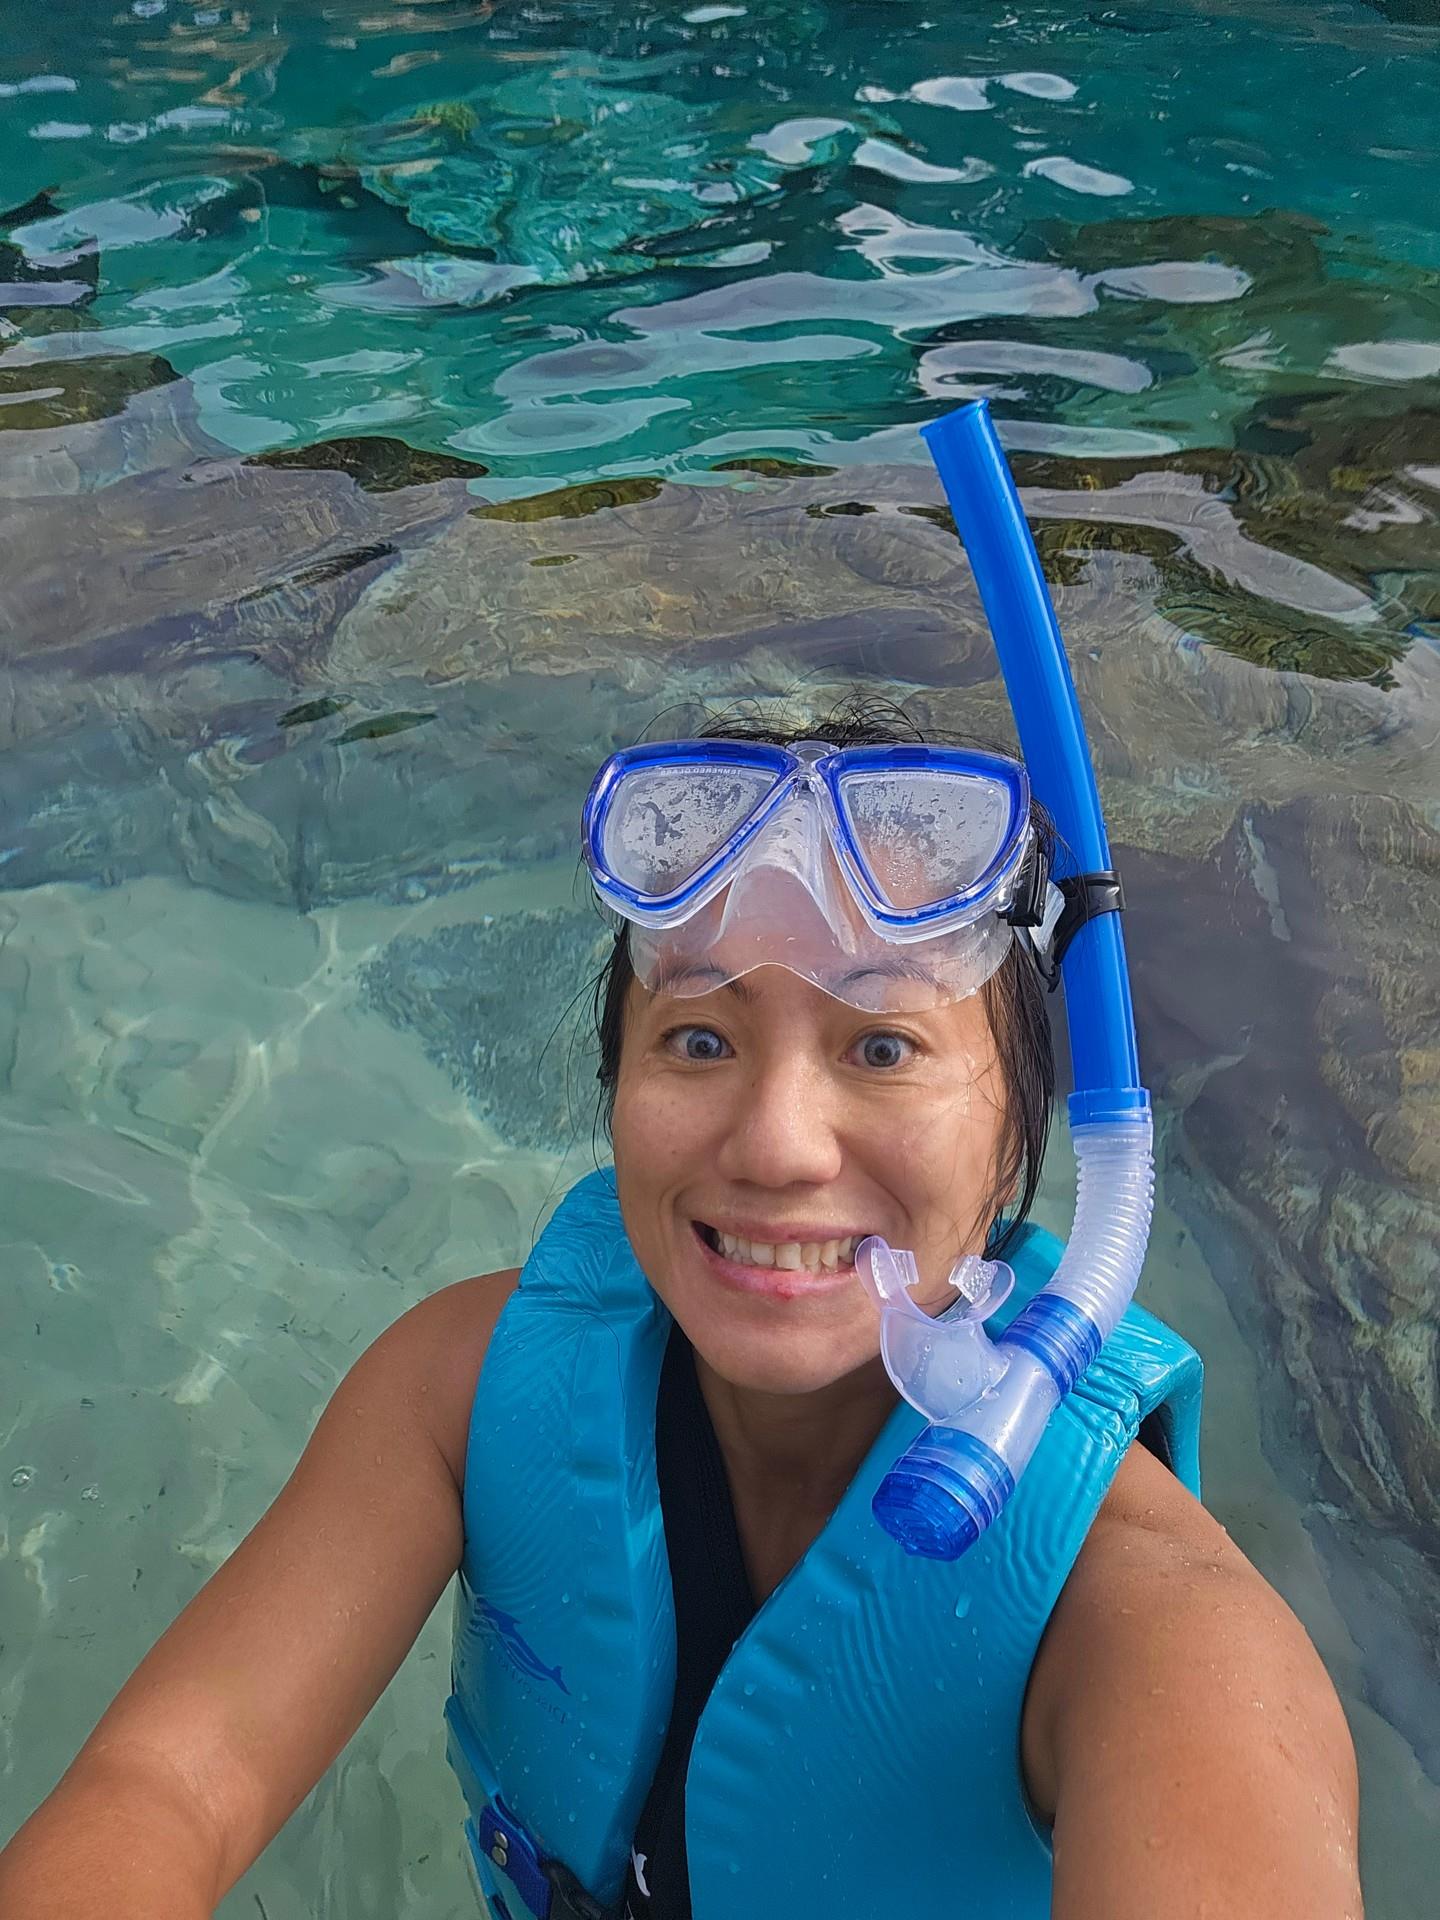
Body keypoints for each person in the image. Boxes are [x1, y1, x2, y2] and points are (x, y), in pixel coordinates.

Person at [0, 410, 1362, 1920]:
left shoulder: (1155, 1631)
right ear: (616, 1084)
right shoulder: (461, 1398)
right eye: (699, 1039)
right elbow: (167, 1791)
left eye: (882, 1046)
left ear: (1017, 1145)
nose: (773, 1143)